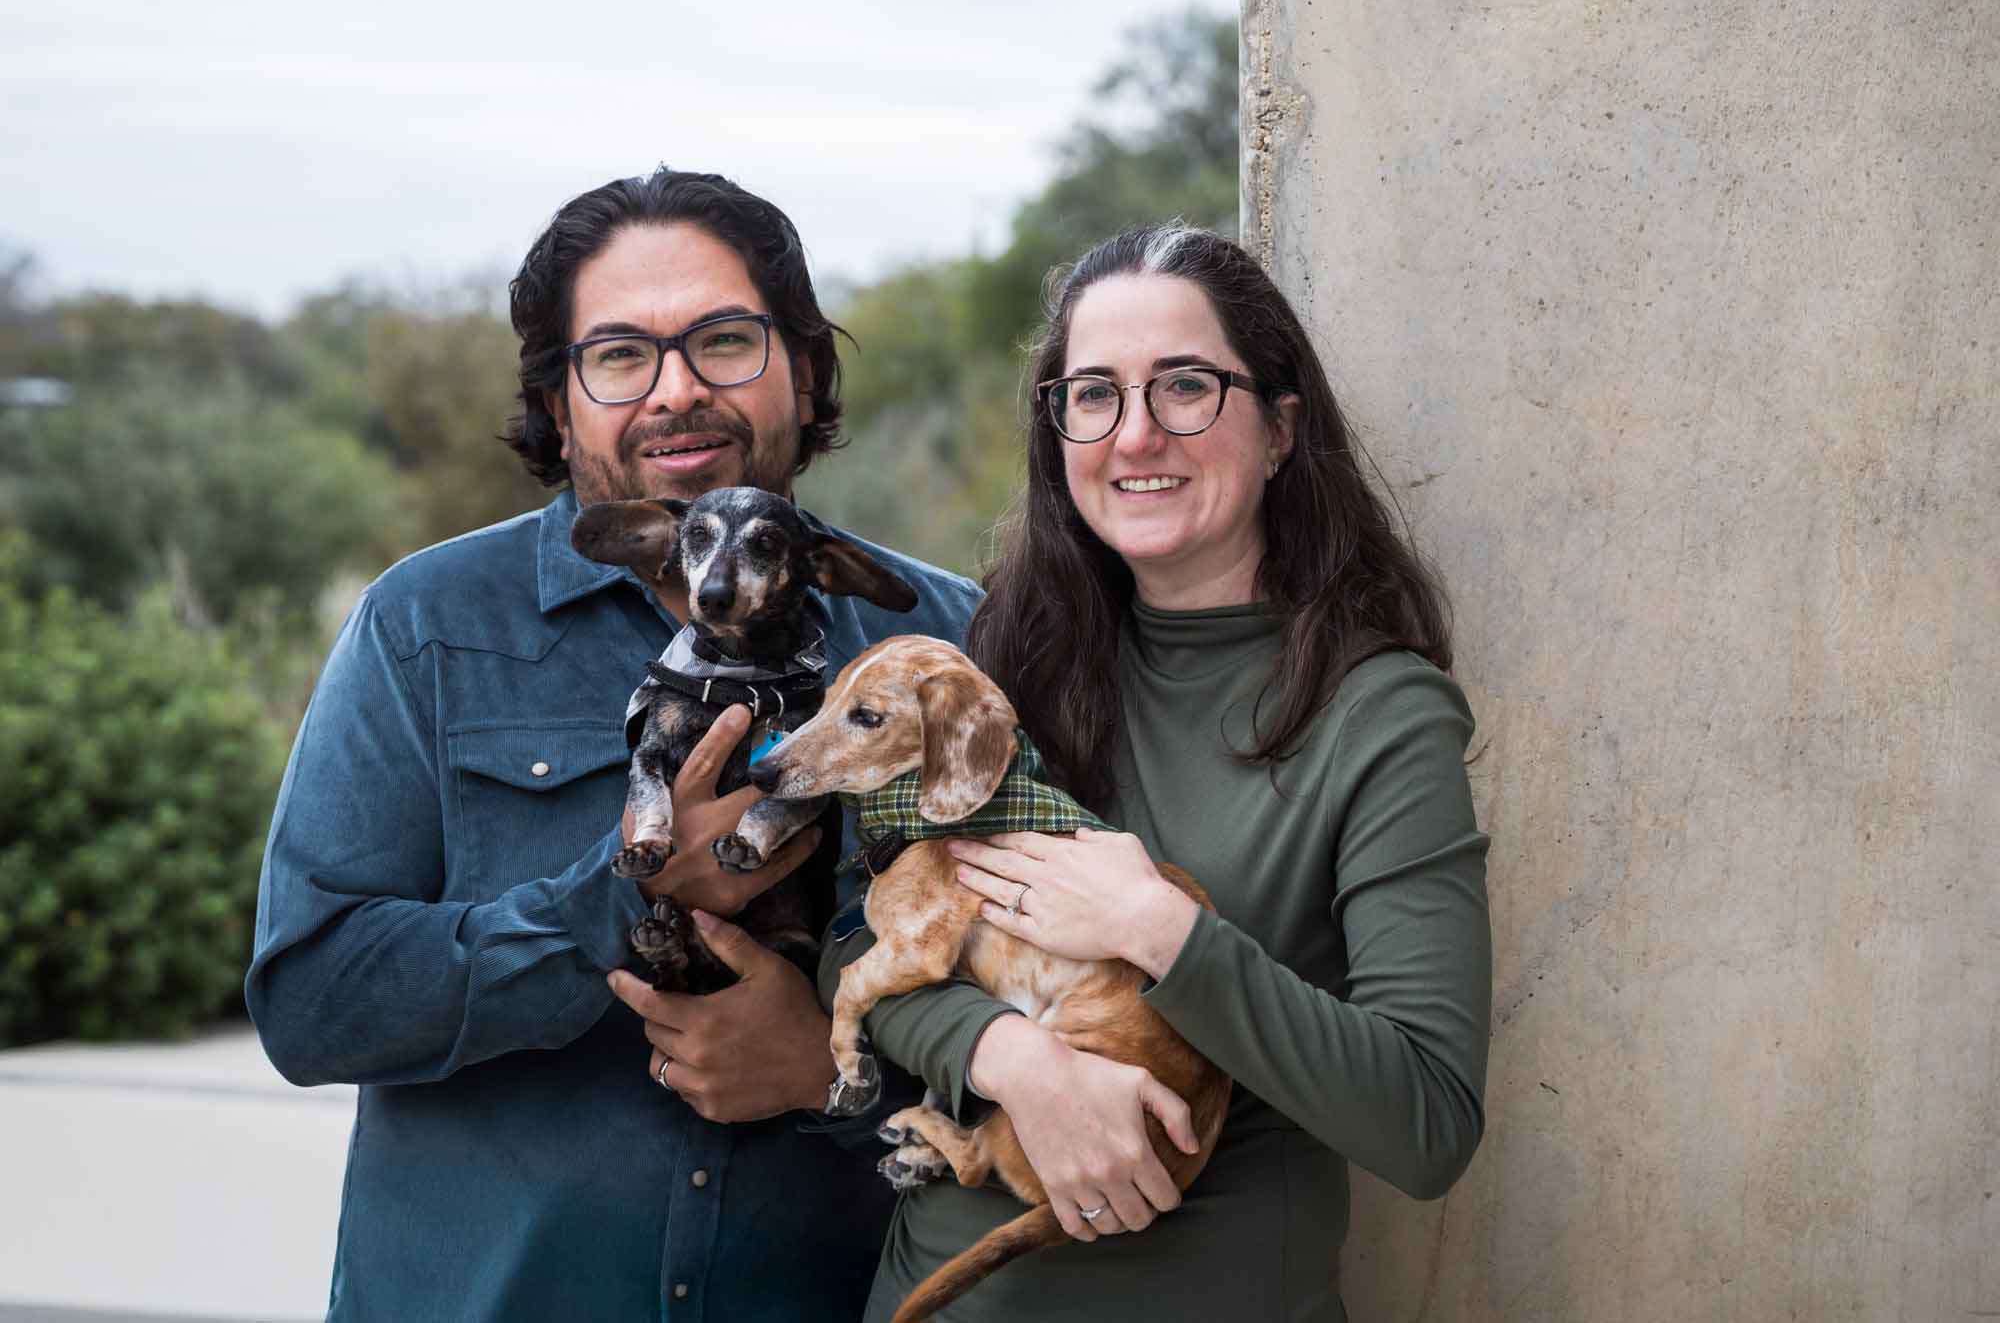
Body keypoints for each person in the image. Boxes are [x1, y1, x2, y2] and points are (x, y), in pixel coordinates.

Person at [245, 168, 1016, 1321]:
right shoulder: (427, 628)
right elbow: (315, 1002)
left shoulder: (943, 642)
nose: (676, 391)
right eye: (618, 355)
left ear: (805, 373)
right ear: (559, 403)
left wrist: (829, 1072)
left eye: (723, 340)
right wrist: (616, 898)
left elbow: (1046, 999)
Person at [821, 224, 1492, 1322]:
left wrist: (1160, 931)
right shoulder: (1004, 664)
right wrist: (1007, 1059)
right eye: (1094, 394)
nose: (1135, 435)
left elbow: (1424, 1123)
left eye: (1185, 386)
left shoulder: (1379, 718)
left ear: (1279, 428)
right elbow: (860, 943)